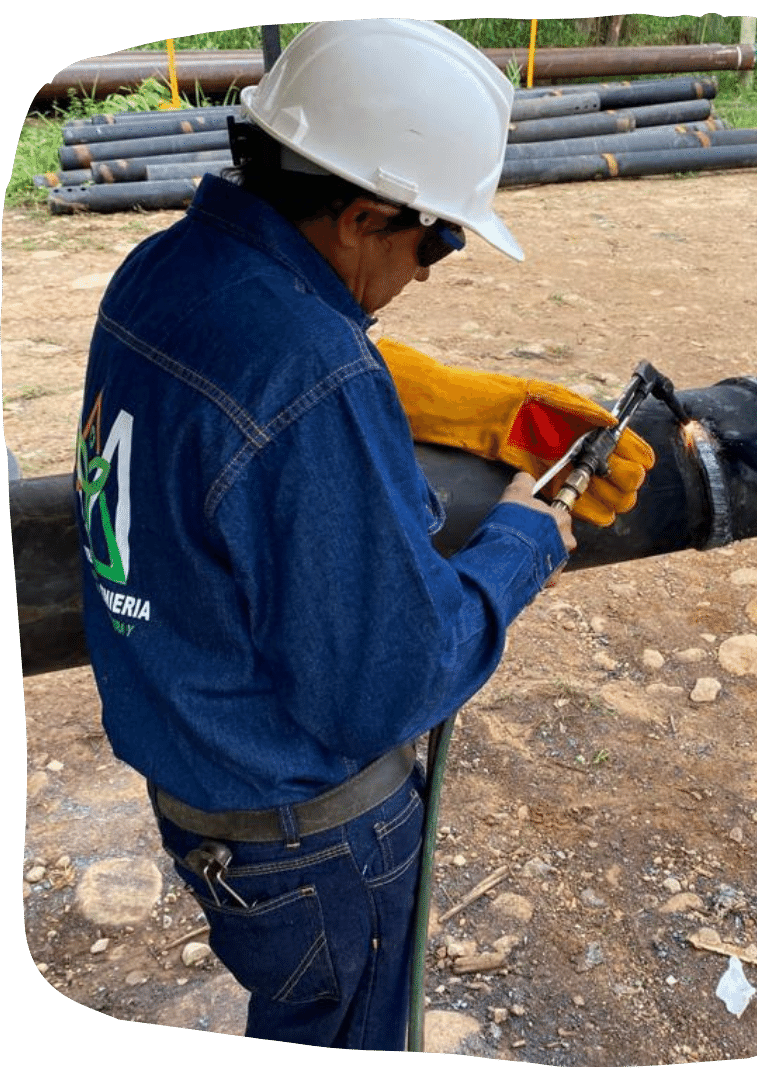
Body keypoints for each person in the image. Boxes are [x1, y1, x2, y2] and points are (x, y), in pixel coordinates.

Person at [73, 19, 653, 1051]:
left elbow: (238, 406)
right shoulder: (312, 374)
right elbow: (389, 679)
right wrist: (521, 545)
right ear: (362, 215)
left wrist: (432, 393)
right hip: (310, 843)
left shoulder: (159, 269)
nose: (429, 272)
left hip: (198, 790)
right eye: (439, 240)